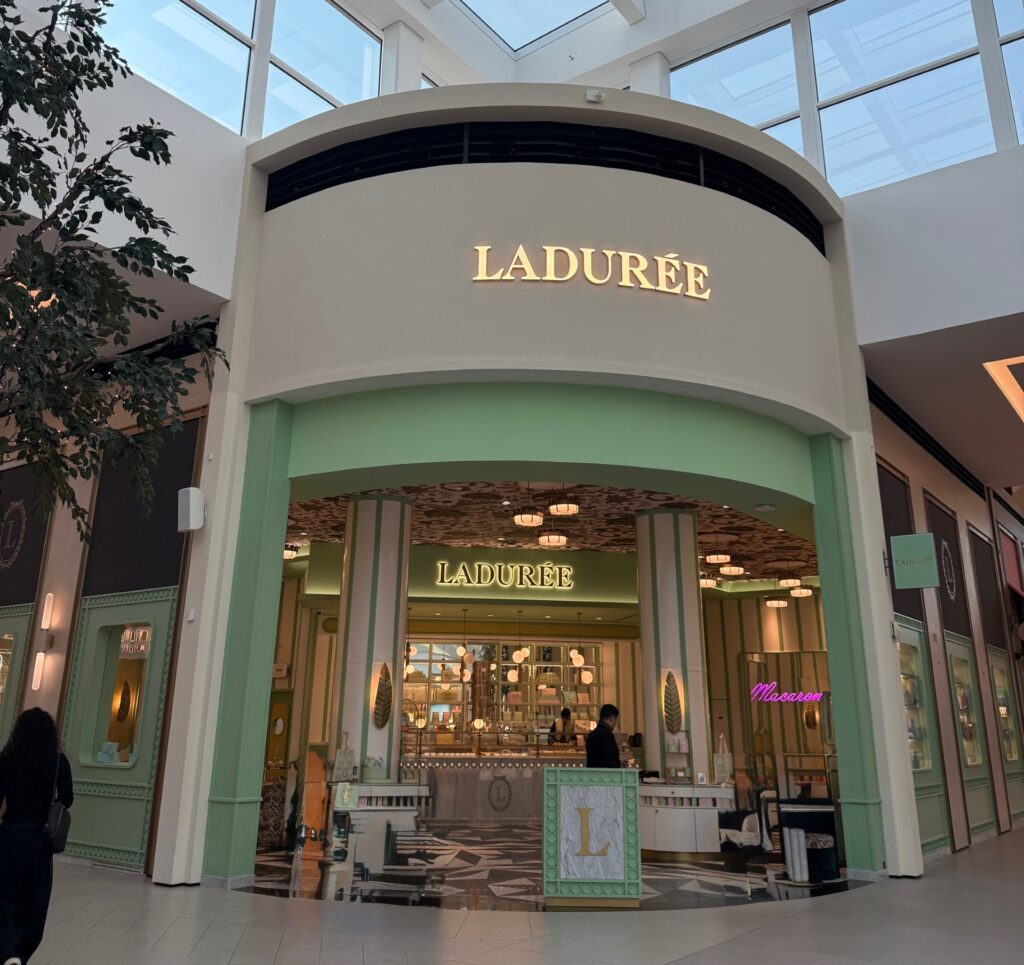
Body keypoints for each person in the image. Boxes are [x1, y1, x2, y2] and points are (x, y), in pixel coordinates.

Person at [0, 709, 74, 965]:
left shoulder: (8, 759)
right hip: (39, 841)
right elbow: (68, 798)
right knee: (35, 900)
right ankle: (20, 953)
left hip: (9, 837)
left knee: (6, 898)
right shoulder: (57, 762)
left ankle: (8, 950)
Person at [585, 704, 621, 768]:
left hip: (592, 775)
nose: (615, 723)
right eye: (615, 719)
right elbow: (610, 761)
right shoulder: (607, 735)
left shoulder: (591, 735)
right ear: (612, 718)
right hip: (606, 776)